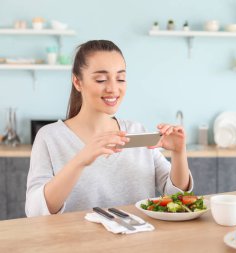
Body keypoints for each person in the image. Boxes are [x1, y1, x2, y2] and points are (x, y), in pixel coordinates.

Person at [25, 40, 192, 216]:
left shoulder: (136, 131)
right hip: (76, 243)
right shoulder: (50, 137)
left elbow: (177, 198)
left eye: (120, 79)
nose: (113, 88)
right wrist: (80, 160)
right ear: (77, 82)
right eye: (101, 79)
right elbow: (35, 212)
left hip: (139, 241)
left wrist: (179, 152)